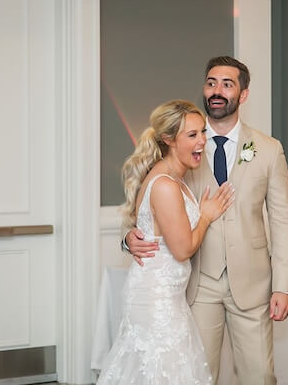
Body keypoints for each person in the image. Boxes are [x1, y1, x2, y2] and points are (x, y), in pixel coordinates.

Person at [125, 56, 288, 384]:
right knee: (199, 375)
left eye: (227, 84)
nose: (217, 90)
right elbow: (144, 203)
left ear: (243, 95)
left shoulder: (268, 149)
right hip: (197, 283)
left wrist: (284, 285)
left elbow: (283, 220)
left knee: (260, 375)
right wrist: (128, 237)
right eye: (211, 82)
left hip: (252, 283)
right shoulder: (180, 141)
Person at [97, 100, 235, 384]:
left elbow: (144, 226)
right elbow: (182, 249)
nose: (201, 143)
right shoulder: (165, 185)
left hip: (167, 297)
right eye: (192, 135)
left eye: (202, 133)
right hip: (156, 300)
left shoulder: (172, 177)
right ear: (169, 139)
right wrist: (206, 216)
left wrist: (128, 237)